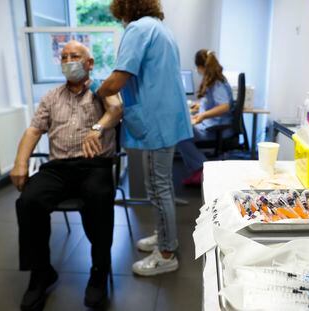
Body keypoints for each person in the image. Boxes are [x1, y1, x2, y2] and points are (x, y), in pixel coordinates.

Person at [10, 40, 122, 310]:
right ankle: (41, 273)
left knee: (99, 198)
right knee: (29, 201)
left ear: (89, 63)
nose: (69, 61)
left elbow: (116, 109)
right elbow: (34, 131)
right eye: (64, 57)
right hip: (58, 168)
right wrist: (20, 163)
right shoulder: (51, 97)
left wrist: (97, 128)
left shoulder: (101, 89)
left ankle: (99, 270)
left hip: (94, 165)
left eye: (75, 56)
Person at [97, 0, 192, 276]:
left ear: (125, 8)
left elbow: (117, 80)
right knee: (159, 185)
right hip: (165, 118)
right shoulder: (161, 29)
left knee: (159, 187)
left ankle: (166, 253)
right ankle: (163, 235)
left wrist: (95, 91)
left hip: (156, 122)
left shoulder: (139, 29)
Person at [177, 49, 234, 186]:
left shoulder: (217, 83)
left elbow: (224, 106)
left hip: (215, 129)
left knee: (180, 134)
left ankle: (203, 168)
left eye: (197, 67)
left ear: (201, 67)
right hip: (210, 126)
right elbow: (211, 102)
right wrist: (198, 107)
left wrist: (202, 115)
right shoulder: (214, 81)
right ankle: (198, 169)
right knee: (182, 132)